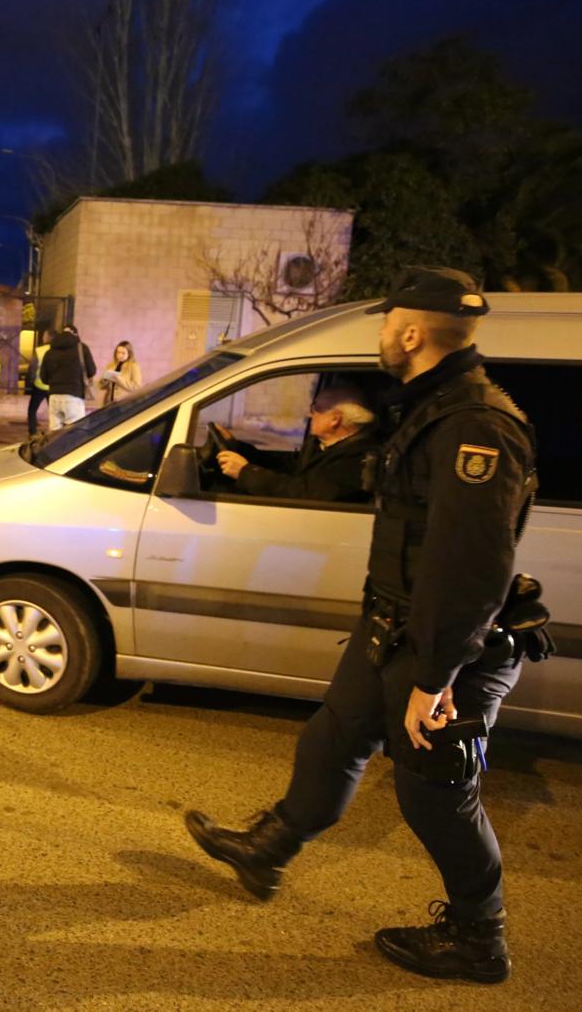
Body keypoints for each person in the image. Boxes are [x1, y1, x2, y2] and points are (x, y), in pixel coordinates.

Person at [183, 266, 538, 985]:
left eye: (384, 324)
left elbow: (469, 567)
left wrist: (435, 677)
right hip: (393, 627)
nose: (378, 336)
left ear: (411, 334)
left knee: (434, 795)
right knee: (334, 737)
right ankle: (269, 849)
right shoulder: (429, 404)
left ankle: (480, 938)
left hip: (444, 647)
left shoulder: (474, 423)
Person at [215, 385, 378, 503]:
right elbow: (289, 467)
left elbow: (304, 493)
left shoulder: (358, 460)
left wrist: (246, 473)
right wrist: (237, 446)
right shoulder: (321, 444)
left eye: (316, 408)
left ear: (334, 419)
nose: (310, 413)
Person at [40, 327, 94, 430]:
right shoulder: (82, 348)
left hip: (54, 396)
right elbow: (92, 371)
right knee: (75, 432)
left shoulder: (50, 352)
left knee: (54, 434)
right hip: (74, 396)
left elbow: (44, 378)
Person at [98, 341, 143, 407]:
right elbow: (101, 386)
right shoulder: (111, 365)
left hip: (125, 403)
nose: (120, 355)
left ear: (129, 354)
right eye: (118, 352)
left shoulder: (134, 366)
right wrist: (105, 379)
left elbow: (136, 388)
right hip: (109, 402)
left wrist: (119, 379)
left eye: (123, 353)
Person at [26, 329, 53, 438]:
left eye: (44, 336)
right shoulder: (57, 351)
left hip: (39, 385)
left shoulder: (39, 350)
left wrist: (29, 382)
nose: (42, 337)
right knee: (53, 410)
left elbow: (33, 368)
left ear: (47, 338)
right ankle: (54, 430)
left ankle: (32, 432)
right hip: (53, 386)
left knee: (32, 409)